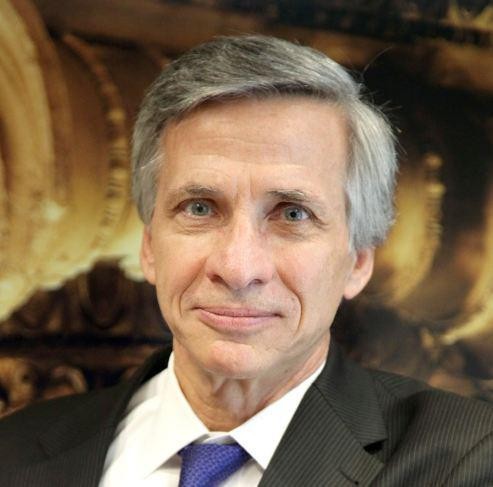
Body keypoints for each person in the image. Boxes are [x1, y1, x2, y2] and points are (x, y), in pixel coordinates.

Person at [1, 35, 493, 487]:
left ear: (358, 260)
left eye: (292, 214)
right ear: (149, 245)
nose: (238, 268)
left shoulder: (465, 462)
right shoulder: (14, 451)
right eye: (199, 208)